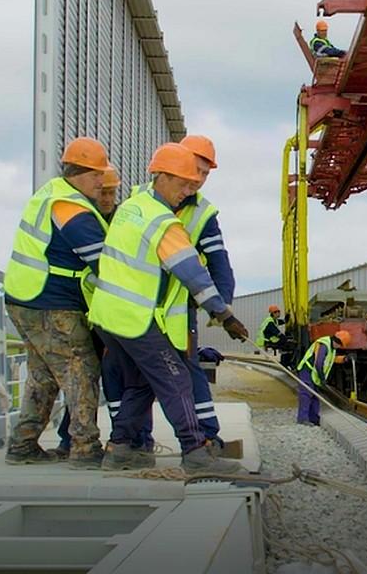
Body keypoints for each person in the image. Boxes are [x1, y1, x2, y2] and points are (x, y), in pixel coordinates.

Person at [88, 143, 249, 474]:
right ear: (162, 176)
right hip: (133, 318)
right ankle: (195, 452)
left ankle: (119, 450)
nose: (189, 191)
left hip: (107, 316)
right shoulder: (162, 221)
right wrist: (224, 313)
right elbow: (193, 273)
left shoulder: (132, 207)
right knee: (175, 378)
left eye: (193, 184)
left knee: (141, 383)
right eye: (184, 184)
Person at [3, 137, 110, 469]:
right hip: (51, 302)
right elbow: (103, 262)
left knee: (43, 375)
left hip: (25, 298)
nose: (102, 181)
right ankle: (85, 448)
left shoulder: (49, 194)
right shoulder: (71, 208)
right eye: (96, 175)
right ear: (77, 173)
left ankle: (22, 445)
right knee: (82, 368)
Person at [54, 164, 124, 458]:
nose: (106, 198)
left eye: (111, 193)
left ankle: (123, 438)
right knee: (84, 377)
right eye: (103, 192)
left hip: (109, 311)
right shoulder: (82, 217)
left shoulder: (121, 219)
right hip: (84, 308)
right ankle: (68, 439)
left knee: (112, 376)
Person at [175, 134, 234, 450]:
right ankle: (133, 441)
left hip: (178, 306)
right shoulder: (139, 199)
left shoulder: (203, 213)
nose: (199, 179)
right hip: (137, 305)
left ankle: (207, 436)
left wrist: (223, 304)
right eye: (196, 169)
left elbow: (218, 259)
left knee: (190, 368)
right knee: (132, 375)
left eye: (205, 174)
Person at [295, 330, 351, 426]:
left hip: (314, 373)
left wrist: (343, 359)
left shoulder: (331, 348)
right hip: (307, 370)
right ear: (339, 343)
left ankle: (314, 419)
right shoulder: (324, 345)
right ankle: (302, 419)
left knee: (315, 396)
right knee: (306, 395)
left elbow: (330, 359)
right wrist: (322, 378)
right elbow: (319, 363)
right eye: (341, 346)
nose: (340, 347)